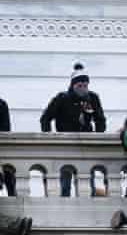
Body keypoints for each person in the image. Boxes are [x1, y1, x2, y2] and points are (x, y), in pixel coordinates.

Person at [40, 62, 107, 196]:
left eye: (85, 86)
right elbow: (45, 118)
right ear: (73, 85)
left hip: (86, 144)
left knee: (88, 181)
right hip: (66, 145)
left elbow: (100, 119)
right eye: (79, 86)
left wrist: (97, 137)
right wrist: (50, 138)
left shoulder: (92, 98)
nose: (82, 89)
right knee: (65, 182)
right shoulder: (62, 98)